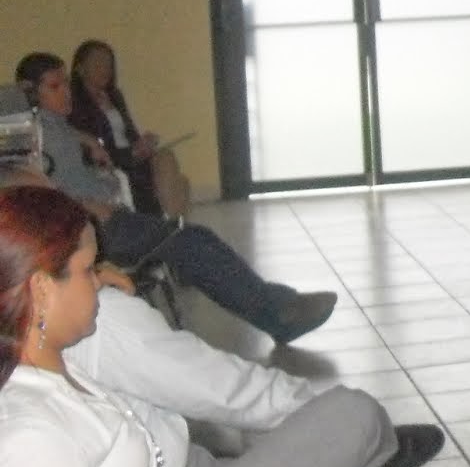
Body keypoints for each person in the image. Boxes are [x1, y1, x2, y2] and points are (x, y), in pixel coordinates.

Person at [0, 184, 465, 467]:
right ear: (41, 289)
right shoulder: (28, 432)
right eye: (86, 271)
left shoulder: (51, 378)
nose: (103, 281)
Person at [15, 53, 336, 345]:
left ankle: (278, 309)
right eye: (55, 87)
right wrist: (83, 204)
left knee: (192, 238)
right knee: (191, 242)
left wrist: (85, 141)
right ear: (29, 91)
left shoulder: (56, 125)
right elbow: (36, 190)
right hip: (96, 226)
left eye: (66, 84)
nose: (66, 93)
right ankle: (278, 313)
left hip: (111, 213)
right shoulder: (31, 134)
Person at [67, 274, 446, 467]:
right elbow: (221, 389)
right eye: (87, 264)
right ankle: (375, 451)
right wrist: (316, 419)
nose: (103, 274)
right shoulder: (98, 321)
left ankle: (359, 464)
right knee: (354, 416)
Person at [69, 39, 191, 218]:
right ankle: (170, 226)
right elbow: (92, 145)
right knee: (170, 179)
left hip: (133, 156)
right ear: (80, 69)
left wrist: (143, 143)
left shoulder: (114, 96)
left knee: (169, 161)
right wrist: (131, 153)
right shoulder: (75, 103)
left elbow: (129, 132)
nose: (104, 69)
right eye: (97, 63)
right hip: (112, 160)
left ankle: (171, 225)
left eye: (108, 64)